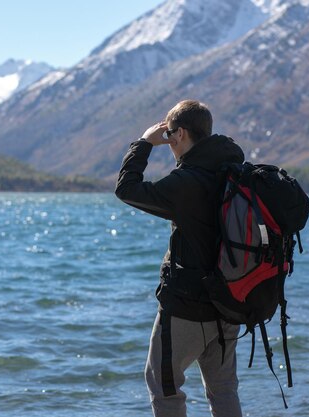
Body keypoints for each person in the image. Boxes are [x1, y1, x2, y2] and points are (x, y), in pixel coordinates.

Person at [115, 100, 245, 417]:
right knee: (224, 390)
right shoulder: (235, 173)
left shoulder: (186, 182)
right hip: (229, 305)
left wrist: (145, 143)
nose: (170, 143)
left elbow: (127, 188)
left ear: (180, 134)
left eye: (171, 135)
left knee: (164, 386)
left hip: (187, 306)